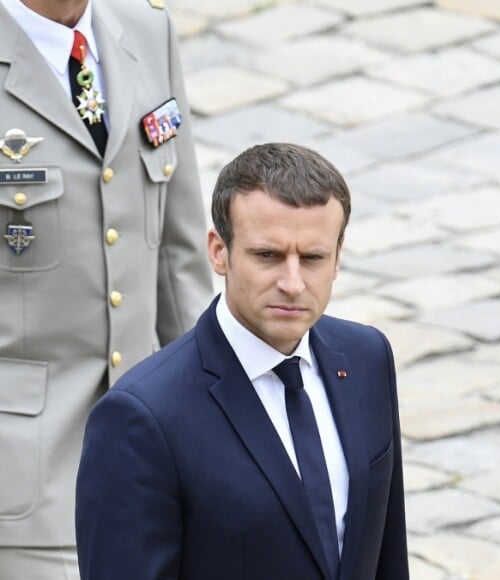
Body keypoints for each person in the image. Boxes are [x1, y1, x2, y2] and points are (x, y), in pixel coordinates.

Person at [76, 143, 409, 580]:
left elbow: (386, 555)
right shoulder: (142, 418)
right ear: (219, 251)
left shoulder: (367, 359)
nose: (292, 283)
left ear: (338, 257)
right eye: (267, 256)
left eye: (312, 258)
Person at [0, 0, 213, 578]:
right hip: (24, 484)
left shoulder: (147, 31)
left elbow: (180, 258)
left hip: (152, 460)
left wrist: (222, 416)